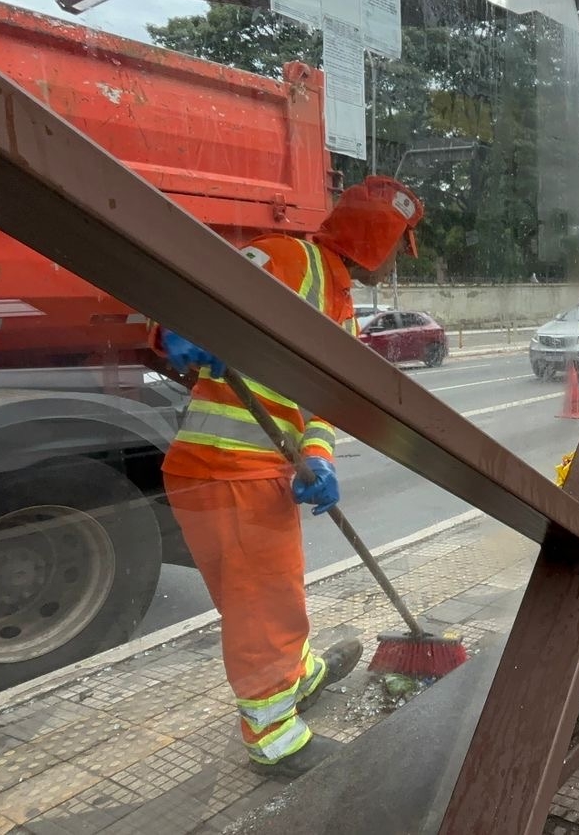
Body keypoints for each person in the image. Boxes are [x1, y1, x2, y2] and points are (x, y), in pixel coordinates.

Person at [155, 175, 424, 778]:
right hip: (232, 468)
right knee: (266, 605)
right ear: (379, 238)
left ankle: (295, 673)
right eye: (397, 243)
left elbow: (322, 406)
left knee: (255, 600)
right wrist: (183, 327)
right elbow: (198, 294)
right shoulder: (289, 256)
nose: (394, 264)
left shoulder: (343, 306)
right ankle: (272, 734)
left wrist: (321, 456)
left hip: (233, 469)